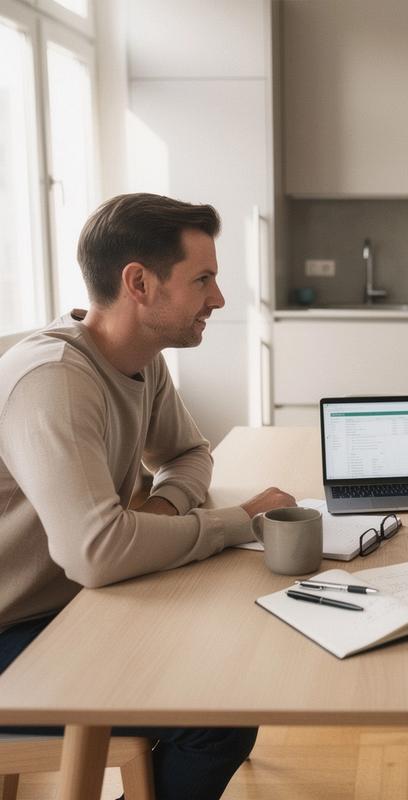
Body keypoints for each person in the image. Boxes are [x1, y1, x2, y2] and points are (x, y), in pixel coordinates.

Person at [0, 193, 297, 800]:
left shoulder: (141, 360)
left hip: (71, 608)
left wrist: (160, 510)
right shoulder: (54, 377)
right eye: (203, 279)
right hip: (13, 635)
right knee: (217, 715)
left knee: (226, 654)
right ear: (139, 282)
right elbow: (98, 552)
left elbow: (189, 454)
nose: (218, 299)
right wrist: (236, 522)